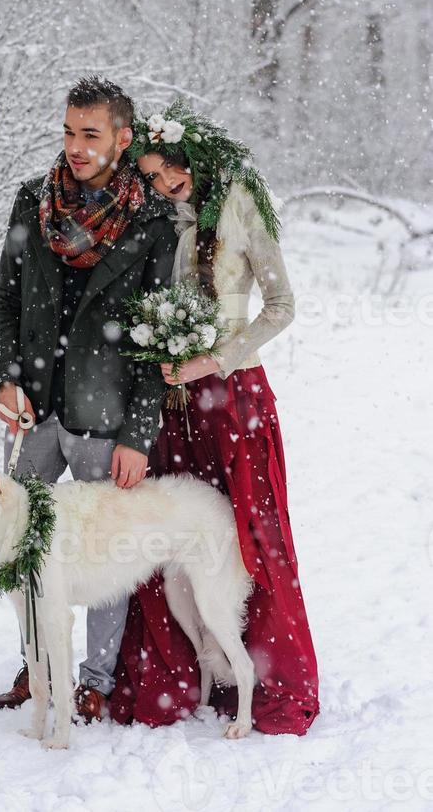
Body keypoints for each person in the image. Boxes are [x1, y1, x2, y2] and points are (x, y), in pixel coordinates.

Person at [109, 101, 320, 735]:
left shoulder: (240, 205)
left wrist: (215, 359)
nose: (165, 187)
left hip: (231, 402)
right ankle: (177, 674)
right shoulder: (149, 217)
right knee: (170, 536)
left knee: (250, 538)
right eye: (151, 178)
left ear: (191, 158)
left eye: (170, 174)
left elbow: (281, 307)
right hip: (170, 409)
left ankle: (266, 675)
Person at [0, 75, 177, 721]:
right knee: (22, 543)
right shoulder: (32, 200)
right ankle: (35, 669)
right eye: (69, 131)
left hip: (107, 413)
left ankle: (93, 681)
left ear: (122, 140)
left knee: (102, 554)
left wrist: (139, 434)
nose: (75, 145)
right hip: (34, 404)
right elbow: (7, 297)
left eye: (90, 134)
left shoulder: (151, 220)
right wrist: (3, 376)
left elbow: (158, 335)